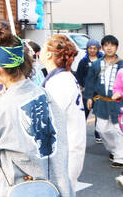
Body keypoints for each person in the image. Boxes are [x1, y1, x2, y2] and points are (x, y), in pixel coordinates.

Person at [0, 22, 74, 196]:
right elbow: (60, 145)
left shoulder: (1, 106)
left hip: (17, 187)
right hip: (51, 185)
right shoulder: (44, 95)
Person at [39, 34, 86, 189]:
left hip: (65, 154)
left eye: (44, 47)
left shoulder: (59, 82)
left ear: (49, 53)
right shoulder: (63, 77)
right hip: (69, 150)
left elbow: (48, 120)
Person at [84, 34, 123, 168]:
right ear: (102, 48)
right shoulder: (96, 65)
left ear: (116, 47)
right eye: (106, 45)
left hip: (119, 103)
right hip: (101, 101)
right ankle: (114, 150)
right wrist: (89, 97)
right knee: (102, 129)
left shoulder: (122, 64)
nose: (109, 48)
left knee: (118, 129)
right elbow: (90, 81)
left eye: (112, 45)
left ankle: (120, 156)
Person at [75, 39, 102, 123]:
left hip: (99, 92)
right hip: (87, 92)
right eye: (90, 48)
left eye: (95, 48)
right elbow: (79, 76)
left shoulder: (102, 61)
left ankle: (98, 135)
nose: (92, 50)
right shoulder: (83, 61)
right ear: (87, 49)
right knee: (84, 114)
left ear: (98, 49)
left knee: (99, 116)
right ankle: (81, 133)